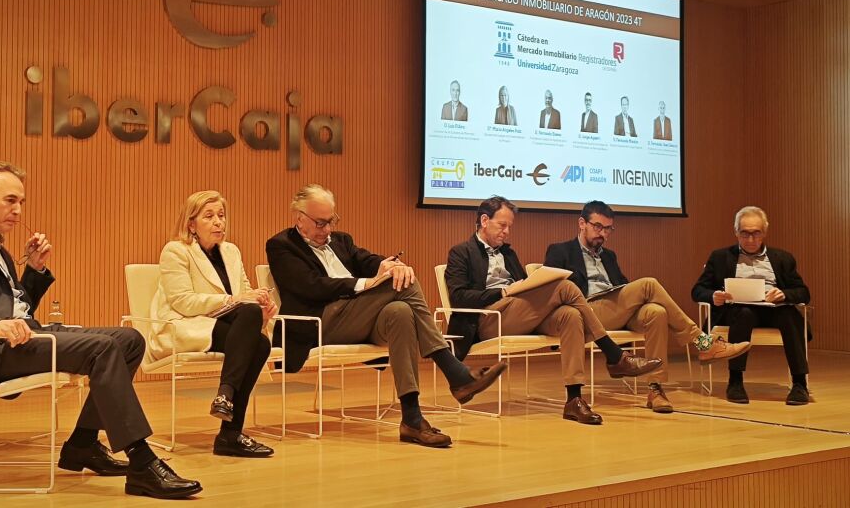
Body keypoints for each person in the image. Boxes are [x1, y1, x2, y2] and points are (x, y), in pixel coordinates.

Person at [0, 162, 200, 500]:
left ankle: (82, 444)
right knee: (101, 348)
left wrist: (34, 269)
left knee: (129, 339)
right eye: (10, 200)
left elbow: (17, 306)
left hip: (21, 336)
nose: (18, 210)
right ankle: (142, 462)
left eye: (21, 202)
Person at [266, 184, 506, 448]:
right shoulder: (281, 246)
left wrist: (391, 265)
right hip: (320, 323)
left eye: (331, 221)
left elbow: (368, 260)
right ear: (299, 218)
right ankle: (454, 371)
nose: (327, 229)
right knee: (404, 285)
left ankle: (412, 419)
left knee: (400, 310)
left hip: (357, 318)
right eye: (320, 223)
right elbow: (310, 286)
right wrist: (365, 283)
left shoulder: (341, 241)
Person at [445, 196, 662, 425]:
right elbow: (458, 297)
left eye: (510, 226)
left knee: (571, 315)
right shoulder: (461, 252)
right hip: (490, 318)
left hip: (519, 313)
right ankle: (614, 354)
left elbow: (525, 289)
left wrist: (527, 287)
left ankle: (574, 400)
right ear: (484, 220)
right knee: (565, 286)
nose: (507, 231)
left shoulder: (509, 254)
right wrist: (503, 292)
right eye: (502, 225)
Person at [544, 201, 750, 413]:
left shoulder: (609, 256)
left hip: (613, 312)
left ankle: (655, 389)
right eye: (598, 227)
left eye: (608, 229)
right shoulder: (560, 251)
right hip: (585, 313)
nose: (603, 233)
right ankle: (701, 341)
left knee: (656, 312)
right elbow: (554, 293)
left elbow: (622, 287)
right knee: (649, 284)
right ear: (582, 223)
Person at [151, 190, 277, 457]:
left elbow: (244, 293)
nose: (218, 222)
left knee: (258, 336)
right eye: (209, 216)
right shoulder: (176, 251)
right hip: (185, 325)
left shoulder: (231, 251)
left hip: (227, 323)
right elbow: (183, 301)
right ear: (191, 224)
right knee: (258, 343)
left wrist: (262, 307)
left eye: (221, 215)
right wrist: (236, 300)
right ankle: (230, 431)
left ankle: (225, 399)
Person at [692, 206, 811, 406]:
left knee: (789, 314)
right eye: (744, 233)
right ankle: (735, 381)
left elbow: (803, 293)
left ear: (764, 232)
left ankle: (800, 383)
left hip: (773, 310)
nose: (750, 239)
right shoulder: (720, 257)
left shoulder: (782, 258)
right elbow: (697, 290)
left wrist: (784, 294)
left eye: (756, 233)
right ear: (736, 232)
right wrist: (713, 296)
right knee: (744, 313)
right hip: (737, 311)